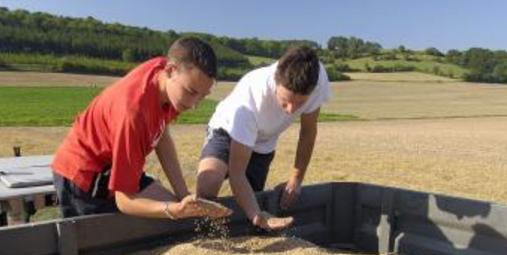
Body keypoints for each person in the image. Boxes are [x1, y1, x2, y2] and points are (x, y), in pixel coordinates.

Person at [52, 37, 231, 220]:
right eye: (191, 91)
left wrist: (183, 195)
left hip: (118, 164)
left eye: (203, 96)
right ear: (170, 70)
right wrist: (174, 210)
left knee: (177, 216)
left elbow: (161, 135)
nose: (194, 104)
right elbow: (124, 200)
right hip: (85, 176)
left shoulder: (164, 77)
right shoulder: (133, 113)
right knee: (107, 244)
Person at [196, 45, 330, 230]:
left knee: (252, 197)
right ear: (276, 82)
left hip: (264, 142)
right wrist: (258, 216)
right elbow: (237, 173)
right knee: (207, 188)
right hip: (226, 129)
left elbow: (308, 131)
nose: (291, 109)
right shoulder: (250, 99)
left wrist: (296, 179)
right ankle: (204, 235)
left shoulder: (317, 79)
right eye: (285, 100)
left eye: (299, 103)